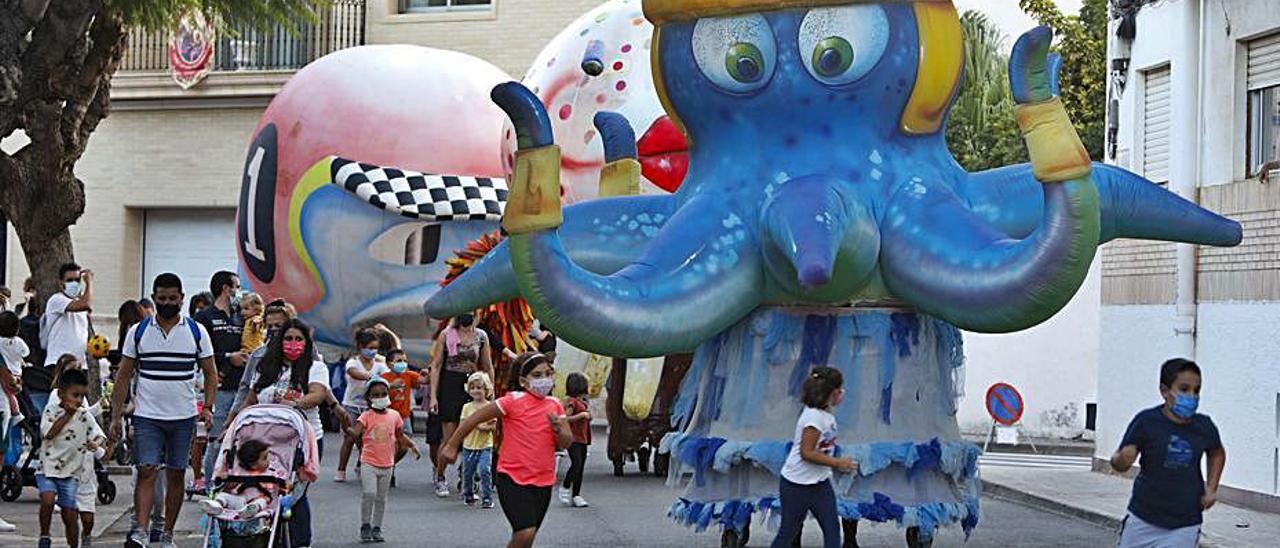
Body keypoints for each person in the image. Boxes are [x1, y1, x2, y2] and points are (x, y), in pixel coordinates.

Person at [109, 273, 217, 548]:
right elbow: (123, 375)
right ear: (154, 299)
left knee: (177, 473)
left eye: (172, 298)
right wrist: (116, 416)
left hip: (183, 416)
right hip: (147, 416)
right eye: (162, 299)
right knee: (146, 469)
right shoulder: (139, 331)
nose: (167, 303)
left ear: (181, 298)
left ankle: (168, 534)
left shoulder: (196, 331)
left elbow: (210, 372)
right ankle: (141, 531)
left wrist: (208, 408)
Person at [441, 352, 571, 548]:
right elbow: (474, 418)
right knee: (525, 533)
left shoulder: (554, 405)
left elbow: (566, 441)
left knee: (528, 537)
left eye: (548, 374)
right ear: (522, 380)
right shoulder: (513, 401)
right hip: (512, 478)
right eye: (537, 375)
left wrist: (559, 429)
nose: (544, 380)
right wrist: (451, 445)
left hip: (543, 480)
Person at [1111, 358, 1226, 548]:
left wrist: (1212, 488)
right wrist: (1123, 458)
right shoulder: (1146, 422)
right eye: (1184, 389)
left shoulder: (1204, 427)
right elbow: (1119, 463)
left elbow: (1217, 453)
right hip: (1143, 518)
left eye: (1196, 391)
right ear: (1165, 391)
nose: (1191, 396)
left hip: (1185, 523)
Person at [243, 317, 330, 548]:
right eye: (288, 338)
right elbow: (251, 398)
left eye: (298, 339)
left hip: (304, 439)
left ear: (306, 342)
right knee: (268, 492)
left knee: (294, 494)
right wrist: (234, 424)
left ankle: (300, 541)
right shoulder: (266, 368)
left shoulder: (316, 367)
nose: (293, 343)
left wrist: (295, 405)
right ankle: (273, 539)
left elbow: (318, 394)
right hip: (266, 441)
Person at [771, 367, 856, 548]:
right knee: (788, 532)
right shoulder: (813, 418)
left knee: (832, 529)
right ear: (831, 393)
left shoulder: (826, 415)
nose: (843, 393)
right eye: (840, 390)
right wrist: (838, 462)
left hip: (820, 484)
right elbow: (806, 453)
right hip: (796, 485)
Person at [38, 368, 105, 548]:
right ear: (61, 394)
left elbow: (98, 434)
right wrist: (67, 415)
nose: (79, 401)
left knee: (70, 514)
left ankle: (74, 545)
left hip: (72, 472)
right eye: (75, 395)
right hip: (48, 467)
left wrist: (96, 443)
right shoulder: (51, 411)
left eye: (82, 396)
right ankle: (45, 535)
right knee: (48, 499)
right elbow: (49, 434)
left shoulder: (84, 415)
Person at [428, 313, 493, 497]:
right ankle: (440, 476)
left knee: (472, 435)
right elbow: (437, 365)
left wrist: (491, 392)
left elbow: (487, 366)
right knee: (449, 438)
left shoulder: (481, 336)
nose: (468, 315)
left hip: (471, 387)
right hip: (449, 386)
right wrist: (433, 396)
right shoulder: (447, 335)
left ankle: (467, 477)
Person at [195, 271, 247, 488]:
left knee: (241, 442)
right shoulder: (204, 317)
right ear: (226, 288)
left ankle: (235, 487)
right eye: (236, 286)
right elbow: (198, 353)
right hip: (219, 389)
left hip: (243, 387)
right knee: (216, 441)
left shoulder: (242, 316)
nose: (238, 292)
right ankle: (210, 489)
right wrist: (227, 358)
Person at [352, 378, 420, 543]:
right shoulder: (366, 416)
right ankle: (365, 524)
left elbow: (400, 435)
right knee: (369, 493)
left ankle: (377, 527)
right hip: (368, 462)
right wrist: (348, 428)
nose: (380, 397)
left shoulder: (394, 416)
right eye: (376, 395)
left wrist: (412, 446)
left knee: (381, 498)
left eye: (383, 394)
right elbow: (355, 432)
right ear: (369, 398)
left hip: (388, 464)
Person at [36, 263, 93, 413]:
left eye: (77, 280)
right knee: (61, 409)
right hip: (59, 364)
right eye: (70, 280)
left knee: (80, 410)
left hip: (79, 364)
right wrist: (89, 283)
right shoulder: (57, 300)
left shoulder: (78, 303)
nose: (74, 284)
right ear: (61, 283)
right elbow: (86, 304)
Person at [337, 329, 387, 482]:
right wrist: (372, 376)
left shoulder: (379, 362)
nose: (373, 351)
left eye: (375, 348)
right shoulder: (353, 362)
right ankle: (341, 469)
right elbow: (354, 373)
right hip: (352, 405)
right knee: (350, 438)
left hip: (370, 407)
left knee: (366, 439)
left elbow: (387, 376)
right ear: (361, 346)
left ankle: (362, 464)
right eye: (370, 348)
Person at [197, 440, 275, 519]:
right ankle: (216, 505)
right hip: (239, 499)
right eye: (264, 458)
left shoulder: (270, 474)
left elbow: (273, 489)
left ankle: (252, 509)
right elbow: (229, 486)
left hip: (256, 500)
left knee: (263, 500)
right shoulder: (239, 472)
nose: (268, 461)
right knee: (223, 495)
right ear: (253, 465)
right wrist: (226, 479)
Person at [459, 371, 496, 508]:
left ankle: (487, 497)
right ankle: (468, 494)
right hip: (469, 445)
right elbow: (463, 425)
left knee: (484, 470)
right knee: (468, 472)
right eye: (473, 387)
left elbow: (492, 426)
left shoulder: (490, 406)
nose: (476, 390)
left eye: (479, 387)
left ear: (486, 389)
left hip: (485, 445)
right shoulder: (467, 407)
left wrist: (476, 424)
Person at [560, 372, 592, 508]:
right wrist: (581, 415)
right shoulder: (571, 402)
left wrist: (587, 415)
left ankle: (576, 494)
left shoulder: (582, 401)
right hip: (574, 437)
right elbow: (565, 418)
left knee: (581, 466)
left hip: (583, 437)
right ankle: (566, 486)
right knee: (576, 464)